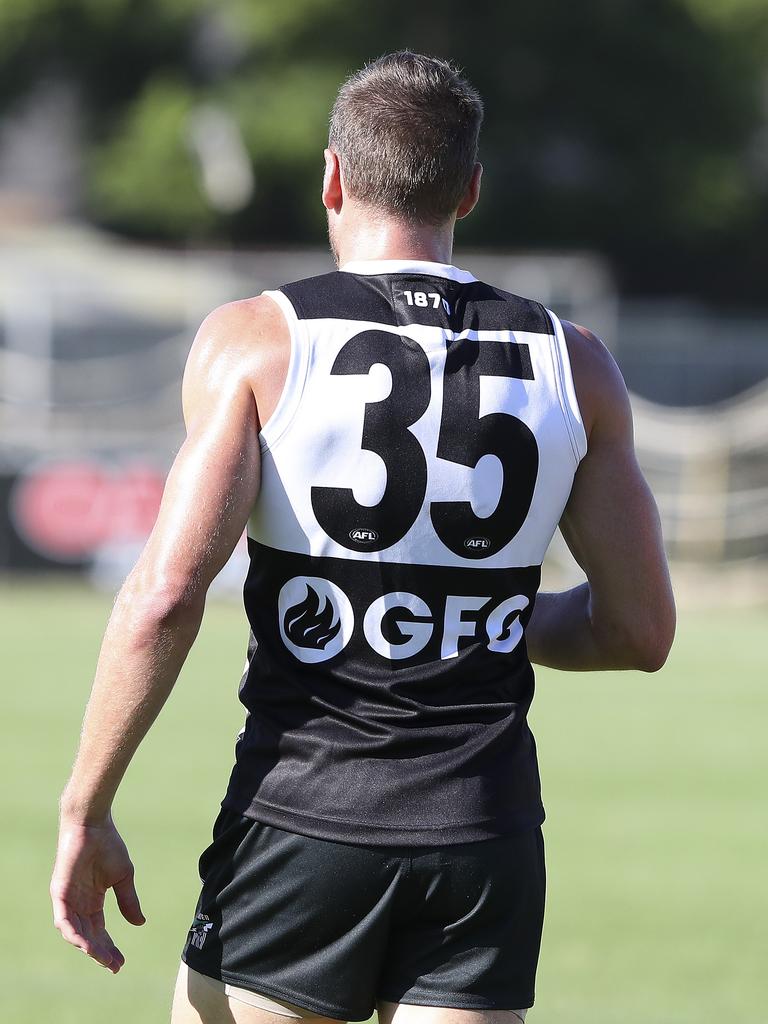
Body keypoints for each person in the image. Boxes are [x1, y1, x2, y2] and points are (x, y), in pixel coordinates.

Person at [50, 51, 675, 1024]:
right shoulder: (575, 363)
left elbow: (167, 594)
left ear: (333, 178)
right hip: (486, 839)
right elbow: (640, 630)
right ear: (471, 188)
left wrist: (85, 806)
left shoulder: (258, 340)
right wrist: (488, 619)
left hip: (302, 821)